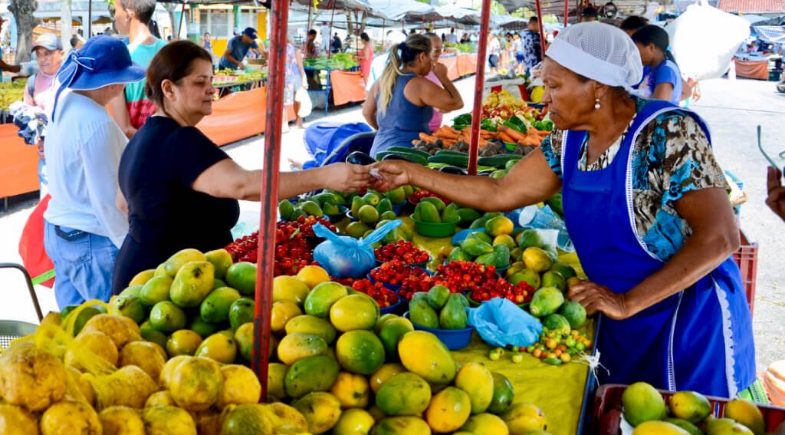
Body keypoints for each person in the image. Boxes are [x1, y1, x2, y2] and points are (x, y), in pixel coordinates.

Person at [370, 22, 755, 398]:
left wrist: (627, 302)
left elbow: (720, 237)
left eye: (554, 86)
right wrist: (412, 172)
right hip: (617, 314)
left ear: (598, 86)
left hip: (685, 321)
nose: (543, 97)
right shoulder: (568, 140)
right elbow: (500, 191)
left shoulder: (667, 132)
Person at [112, 40, 372, 293]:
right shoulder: (180, 140)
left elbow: (123, 205)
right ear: (169, 89)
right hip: (168, 289)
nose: (212, 90)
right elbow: (244, 185)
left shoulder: (143, 138)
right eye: (200, 82)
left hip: (149, 277)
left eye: (211, 80)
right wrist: (324, 176)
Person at [44, 36, 146, 308]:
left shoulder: (67, 100)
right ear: (112, 83)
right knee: (107, 327)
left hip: (60, 232)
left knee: (74, 324)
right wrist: (129, 246)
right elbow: (108, 199)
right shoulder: (95, 121)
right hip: (91, 238)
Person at [362, 34, 463, 156]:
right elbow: (457, 103)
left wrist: (387, 131)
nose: (432, 64)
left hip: (378, 150)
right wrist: (443, 77)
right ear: (422, 57)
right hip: (407, 155)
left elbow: (367, 113)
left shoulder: (383, 80)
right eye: (430, 58)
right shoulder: (417, 84)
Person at [109, 0, 167, 138]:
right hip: (170, 144)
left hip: (137, 150)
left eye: (116, 10)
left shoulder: (118, 58)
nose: (114, 17)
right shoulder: (169, 51)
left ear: (129, 13)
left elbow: (125, 129)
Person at [24, 34, 64, 198]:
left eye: (47, 53)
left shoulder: (73, 80)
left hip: (72, 158)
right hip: (46, 159)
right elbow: (28, 116)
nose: (42, 59)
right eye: (39, 54)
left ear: (61, 54)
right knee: (46, 208)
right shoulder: (32, 83)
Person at [632, 25, 683, 104]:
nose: (634, 55)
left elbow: (659, 108)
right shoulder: (654, 68)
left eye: (637, 50)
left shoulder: (665, 70)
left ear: (651, 47)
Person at [424, 33, 447, 132]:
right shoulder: (420, 74)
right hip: (424, 130)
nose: (439, 53)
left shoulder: (433, 70)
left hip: (434, 128)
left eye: (441, 49)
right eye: (435, 49)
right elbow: (443, 107)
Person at [284, 36, 307, 130]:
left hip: (296, 75)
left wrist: (304, 78)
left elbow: (300, 67)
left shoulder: (295, 51)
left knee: (298, 99)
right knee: (293, 100)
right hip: (287, 77)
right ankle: (295, 121)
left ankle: (299, 122)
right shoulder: (280, 50)